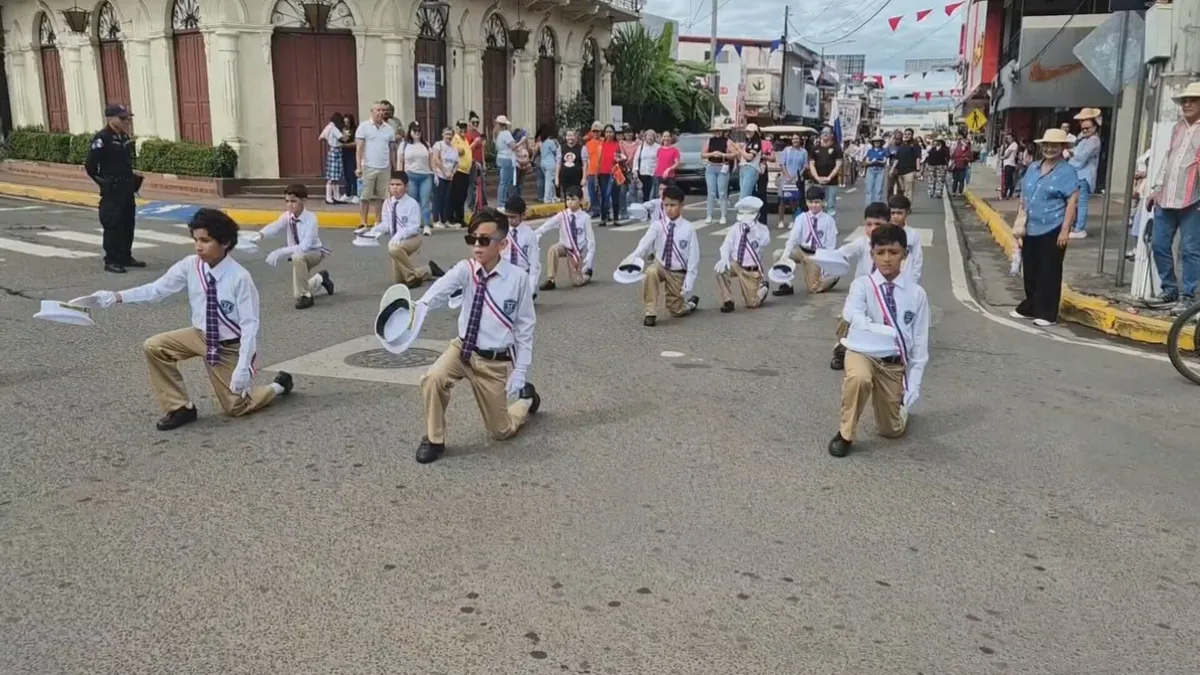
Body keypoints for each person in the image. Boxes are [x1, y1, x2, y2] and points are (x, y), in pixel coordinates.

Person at [74, 208, 294, 431]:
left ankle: (277, 387)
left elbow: (249, 325)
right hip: (200, 335)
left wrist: (243, 367)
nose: (198, 246)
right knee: (155, 347)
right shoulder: (191, 265)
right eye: (196, 240)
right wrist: (116, 296)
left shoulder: (240, 278)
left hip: (227, 345)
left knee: (236, 407)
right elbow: (157, 290)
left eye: (205, 240)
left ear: (225, 243)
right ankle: (180, 408)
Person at [414, 208, 542, 464]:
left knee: (501, 431)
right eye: (471, 239)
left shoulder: (517, 280)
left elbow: (525, 328)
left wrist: (520, 371)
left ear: (502, 244)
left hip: (493, 362)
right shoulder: (466, 269)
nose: (476, 245)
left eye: (484, 240)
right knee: (432, 378)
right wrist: (419, 307)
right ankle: (434, 439)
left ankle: (527, 400)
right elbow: (439, 291)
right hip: (463, 350)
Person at [827, 224, 930, 458]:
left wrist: (913, 385)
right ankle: (845, 434)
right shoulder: (862, 285)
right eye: (880, 252)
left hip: (892, 362)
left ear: (905, 254)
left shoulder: (917, 294)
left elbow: (920, 343)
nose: (886, 259)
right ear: (872, 253)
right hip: (863, 351)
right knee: (859, 378)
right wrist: (867, 324)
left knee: (890, 430)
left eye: (893, 252)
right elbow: (852, 310)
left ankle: (899, 412)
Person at [1011, 128, 1078, 327]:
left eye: (1055, 146)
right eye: (1047, 145)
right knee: (1031, 269)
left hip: (1053, 226)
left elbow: (1072, 201)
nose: (1050, 149)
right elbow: (1024, 197)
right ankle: (1031, 306)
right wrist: (1020, 224)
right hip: (1031, 225)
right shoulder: (1033, 167)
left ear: (1062, 147)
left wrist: (1065, 230)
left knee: (1049, 270)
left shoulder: (1067, 171)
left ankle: (1047, 312)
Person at [1148, 82, 1200, 315]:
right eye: (1184, 101)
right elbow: (1168, 158)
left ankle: (1188, 296)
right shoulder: (1178, 127)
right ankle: (1169, 290)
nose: (1187, 104)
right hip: (1166, 197)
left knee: (1190, 250)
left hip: (1193, 199)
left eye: (1192, 100)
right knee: (1159, 244)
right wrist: (1156, 188)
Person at [830, 201, 892, 371]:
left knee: (883, 323)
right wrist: (831, 258)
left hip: (884, 294)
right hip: (861, 293)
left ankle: (886, 351)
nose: (872, 229)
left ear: (889, 224)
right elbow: (843, 252)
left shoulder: (893, 247)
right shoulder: (862, 243)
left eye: (878, 224)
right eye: (868, 224)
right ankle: (841, 349)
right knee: (847, 318)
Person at [627, 185, 700, 326]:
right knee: (650, 272)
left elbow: (693, 257)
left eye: (673, 205)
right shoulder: (658, 225)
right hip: (661, 265)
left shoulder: (688, 228)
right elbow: (645, 242)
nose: (669, 209)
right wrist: (634, 256)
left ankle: (689, 305)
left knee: (676, 310)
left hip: (677, 271)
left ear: (681, 205)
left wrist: (689, 280)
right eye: (666, 205)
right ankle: (650, 312)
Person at [86, 103, 144, 274]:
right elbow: (90, 166)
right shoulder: (102, 138)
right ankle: (111, 260)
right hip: (112, 188)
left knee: (127, 222)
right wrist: (104, 183)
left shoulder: (124, 137)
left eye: (127, 118)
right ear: (110, 119)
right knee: (113, 223)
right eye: (122, 118)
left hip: (126, 187)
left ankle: (125, 256)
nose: (126, 121)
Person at [256, 184, 334, 310]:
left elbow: (305, 246)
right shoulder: (287, 216)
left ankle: (307, 296)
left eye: (293, 201)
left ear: (303, 201)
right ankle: (321, 278)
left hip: (314, 253)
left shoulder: (311, 218)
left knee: (297, 258)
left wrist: (280, 251)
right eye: (287, 201)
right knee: (297, 294)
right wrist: (260, 234)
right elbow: (275, 226)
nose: (289, 204)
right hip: (298, 255)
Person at [365, 171, 446, 287]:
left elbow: (414, 227)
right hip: (396, 240)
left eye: (399, 185)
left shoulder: (412, 203)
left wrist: (400, 234)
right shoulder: (387, 203)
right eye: (392, 184)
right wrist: (373, 231)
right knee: (398, 280)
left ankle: (412, 277)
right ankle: (427, 270)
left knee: (393, 248)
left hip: (412, 238)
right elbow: (386, 224)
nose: (395, 188)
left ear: (406, 187)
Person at [774, 185, 840, 297]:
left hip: (817, 255)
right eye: (810, 202)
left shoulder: (829, 221)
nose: (813, 205)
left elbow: (830, 246)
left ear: (823, 202)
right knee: (777, 254)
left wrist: (826, 267)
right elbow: (793, 239)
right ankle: (786, 284)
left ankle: (832, 277)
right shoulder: (801, 218)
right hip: (801, 251)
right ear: (806, 202)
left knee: (813, 288)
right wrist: (785, 256)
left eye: (817, 202)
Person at [715, 196, 770, 312]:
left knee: (752, 304)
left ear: (758, 215)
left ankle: (763, 288)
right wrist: (724, 259)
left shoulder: (762, 229)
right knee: (721, 271)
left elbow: (765, 241)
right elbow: (726, 245)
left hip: (751, 270)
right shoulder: (736, 228)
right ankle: (728, 301)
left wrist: (755, 229)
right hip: (737, 265)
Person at [536, 187, 595, 290]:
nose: (570, 202)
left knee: (577, 282)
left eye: (573, 199)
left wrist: (589, 256)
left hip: (576, 250)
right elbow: (549, 224)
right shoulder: (563, 215)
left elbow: (591, 239)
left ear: (581, 200)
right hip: (564, 246)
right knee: (553, 249)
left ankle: (587, 275)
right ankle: (551, 280)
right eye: (568, 199)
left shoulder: (585, 218)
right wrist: (536, 233)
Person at [355, 103, 397, 234]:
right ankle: (363, 222)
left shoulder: (389, 129)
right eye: (378, 110)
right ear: (372, 111)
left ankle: (378, 221)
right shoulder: (364, 127)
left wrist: (394, 167)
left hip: (384, 167)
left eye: (382, 110)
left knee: (381, 196)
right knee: (365, 196)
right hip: (368, 166)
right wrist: (358, 167)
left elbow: (392, 150)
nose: (381, 113)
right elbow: (359, 149)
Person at [1067, 109, 1101, 239]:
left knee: (1081, 203)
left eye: (1088, 128)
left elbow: (1081, 158)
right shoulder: (1085, 139)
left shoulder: (1093, 140)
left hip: (1084, 175)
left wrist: (1072, 154)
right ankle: (1076, 226)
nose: (1085, 130)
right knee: (1076, 202)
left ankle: (1079, 228)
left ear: (1095, 127)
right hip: (1079, 174)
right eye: (1083, 128)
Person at [397, 122, 435, 236]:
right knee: (412, 202)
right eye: (414, 131)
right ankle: (413, 225)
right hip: (410, 175)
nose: (417, 133)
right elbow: (400, 161)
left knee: (425, 202)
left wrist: (435, 173)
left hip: (425, 175)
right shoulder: (404, 145)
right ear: (410, 131)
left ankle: (426, 225)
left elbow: (431, 160)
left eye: (419, 131)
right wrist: (400, 176)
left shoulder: (426, 144)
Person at [502, 196, 544, 293]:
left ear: (523, 215)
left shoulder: (529, 235)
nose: (510, 220)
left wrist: (531, 288)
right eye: (508, 216)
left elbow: (534, 264)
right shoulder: (502, 232)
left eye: (513, 217)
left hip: (522, 277)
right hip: (505, 276)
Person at [703, 120, 734, 225]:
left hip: (722, 167)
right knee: (711, 193)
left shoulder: (728, 141)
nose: (717, 132)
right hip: (711, 167)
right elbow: (703, 154)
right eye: (716, 130)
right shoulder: (710, 140)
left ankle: (723, 215)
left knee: (722, 193)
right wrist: (712, 154)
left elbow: (734, 154)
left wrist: (722, 155)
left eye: (719, 130)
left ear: (722, 131)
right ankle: (709, 215)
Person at [888, 194, 923, 283]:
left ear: (907, 212)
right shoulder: (883, 232)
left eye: (899, 213)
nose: (895, 216)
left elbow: (917, 258)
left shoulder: (913, 234)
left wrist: (915, 279)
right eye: (893, 213)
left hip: (907, 278)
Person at [777, 133, 809, 230]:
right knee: (783, 199)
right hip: (786, 178)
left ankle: (793, 220)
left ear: (800, 140)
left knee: (794, 200)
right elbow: (782, 164)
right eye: (794, 139)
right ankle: (781, 220)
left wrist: (798, 176)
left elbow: (805, 166)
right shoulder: (786, 150)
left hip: (797, 179)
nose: (795, 140)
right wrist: (787, 176)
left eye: (797, 139)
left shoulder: (803, 152)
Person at [808, 129, 844, 215]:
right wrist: (817, 178)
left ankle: (830, 223)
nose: (825, 134)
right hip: (817, 182)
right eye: (823, 132)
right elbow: (811, 165)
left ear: (832, 135)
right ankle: (818, 223)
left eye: (828, 133)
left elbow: (838, 165)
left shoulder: (837, 148)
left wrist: (829, 177)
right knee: (817, 205)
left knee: (831, 205)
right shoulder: (815, 148)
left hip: (832, 182)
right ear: (820, 135)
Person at [890, 128, 922, 202]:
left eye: (909, 134)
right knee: (902, 189)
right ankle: (903, 204)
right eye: (905, 134)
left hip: (910, 171)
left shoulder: (915, 145)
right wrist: (892, 169)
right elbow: (897, 158)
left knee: (908, 189)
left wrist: (918, 170)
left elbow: (918, 158)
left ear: (912, 135)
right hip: (900, 171)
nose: (907, 136)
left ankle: (907, 205)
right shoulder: (902, 144)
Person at [558, 129, 585, 202]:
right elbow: (558, 163)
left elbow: (584, 164)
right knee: (567, 196)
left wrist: (584, 178)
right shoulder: (561, 148)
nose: (570, 138)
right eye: (568, 136)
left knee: (577, 196)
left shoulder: (582, 148)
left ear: (575, 136)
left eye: (572, 135)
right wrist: (557, 177)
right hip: (565, 177)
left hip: (577, 177)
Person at [863, 136, 889, 205]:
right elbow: (867, 161)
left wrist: (878, 161)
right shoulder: (870, 151)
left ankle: (877, 206)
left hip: (880, 170)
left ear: (881, 143)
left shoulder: (884, 150)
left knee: (879, 189)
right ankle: (869, 206)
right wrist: (872, 162)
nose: (876, 143)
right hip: (871, 169)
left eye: (878, 141)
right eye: (875, 141)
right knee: (869, 189)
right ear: (873, 143)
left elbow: (884, 161)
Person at [538, 124, 560, 203]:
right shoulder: (550, 142)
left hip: (543, 162)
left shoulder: (541, 142)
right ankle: (547, 198)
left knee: (549, 180)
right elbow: (556, 151)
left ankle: (553, 196)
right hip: (550, 162)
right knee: (549, 181)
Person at [1000, 133, 1019, 199]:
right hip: (1007, 164)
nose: (1008, 139)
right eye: (1007, 138)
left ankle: (1006, 194)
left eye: (1010, 138)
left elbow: (1007, 155)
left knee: (1008, 180)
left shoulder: (1014, 145)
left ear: (1013, 138)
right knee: (1008, 179)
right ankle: (1008, 193)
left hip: (1010, 164)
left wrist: (1001, 158)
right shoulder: (1010, 145)